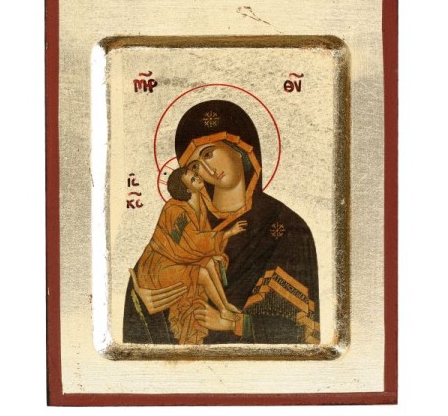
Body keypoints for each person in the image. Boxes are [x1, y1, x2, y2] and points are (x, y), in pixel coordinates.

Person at [123, 100, 320, 344]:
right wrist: (140, 302)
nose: (207, 169)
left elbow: (302, 329)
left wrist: (234, 324)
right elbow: (155, 262)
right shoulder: (186, 218)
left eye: (209, 153)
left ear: (240, 147)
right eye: (195, 165)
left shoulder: (286, 226)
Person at [132, 166, 246, 345]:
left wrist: (213, 252)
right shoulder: (175, 210)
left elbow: (199, 240)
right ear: (186, 189)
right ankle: (223, 310)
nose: (198, 178)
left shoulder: (199, 203)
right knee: (201, 274)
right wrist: (227, 233)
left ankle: (224, 305)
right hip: (159, 265)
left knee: (210, 263)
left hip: (178, 257)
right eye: (193, 179)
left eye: (196, 175)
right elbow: (190, 242)